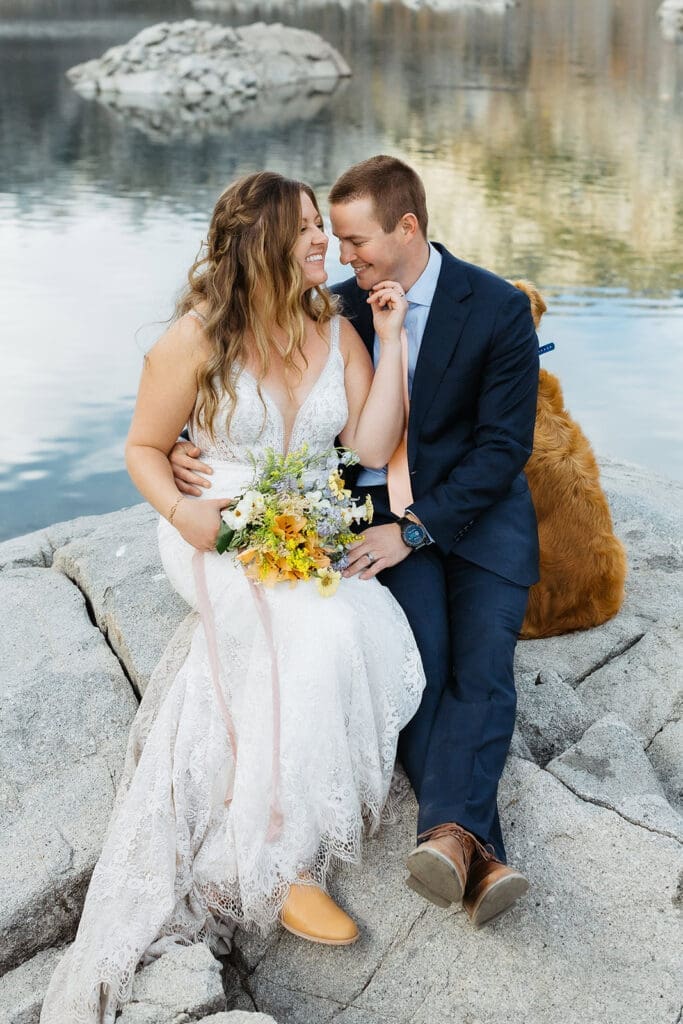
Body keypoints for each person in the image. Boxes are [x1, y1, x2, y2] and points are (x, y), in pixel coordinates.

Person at [40, 171, 425, 1024]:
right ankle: (282, 869)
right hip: (214, 526)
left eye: (324, 228)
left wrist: (390, 338)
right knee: (309, 639)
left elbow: (365, 440)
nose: (323, 241)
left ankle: (267, 855)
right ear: (259, 244)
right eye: (305, 230)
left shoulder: (333, 325)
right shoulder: (194, 338)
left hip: (299, 521)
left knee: (361, 629)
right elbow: (144, 446)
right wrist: (183, 510)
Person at [171, 155, 540, 928]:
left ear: (407, 228)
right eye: (329, 239)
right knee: (419, 667)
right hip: (364, 520)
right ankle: (471, 851)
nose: (342, 255)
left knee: (483, 665)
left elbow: (502, 449)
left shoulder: (496, 305)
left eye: (354, 239)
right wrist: (180, 447)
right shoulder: (327, 307)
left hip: (467, 522)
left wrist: (414, 528)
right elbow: (235, 387)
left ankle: (451, 838)